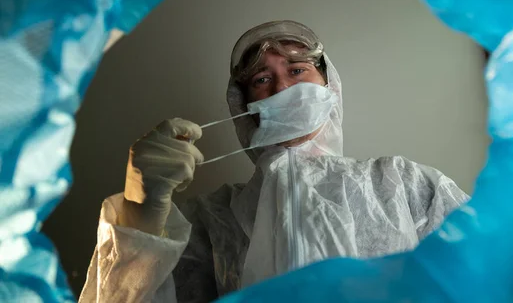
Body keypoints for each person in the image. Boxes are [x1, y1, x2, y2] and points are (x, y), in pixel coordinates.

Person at [79, 20, 469, 302]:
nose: (283, 87)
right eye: (262, 80)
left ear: (330, 89)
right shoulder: (211, 221)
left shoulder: (404, 186)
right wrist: (140, 212)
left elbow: (503, 275)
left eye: (297, 70)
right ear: (246, 109)